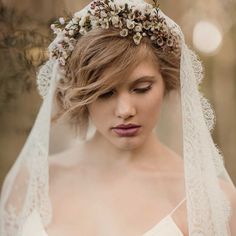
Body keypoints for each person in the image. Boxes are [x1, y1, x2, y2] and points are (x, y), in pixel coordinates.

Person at [0, 0, 235, 235]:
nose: (125, 110)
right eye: (104, 93)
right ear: (81, 94)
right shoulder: (32, 182)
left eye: (141, 88)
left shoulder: (211, 200)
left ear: (167, 81)